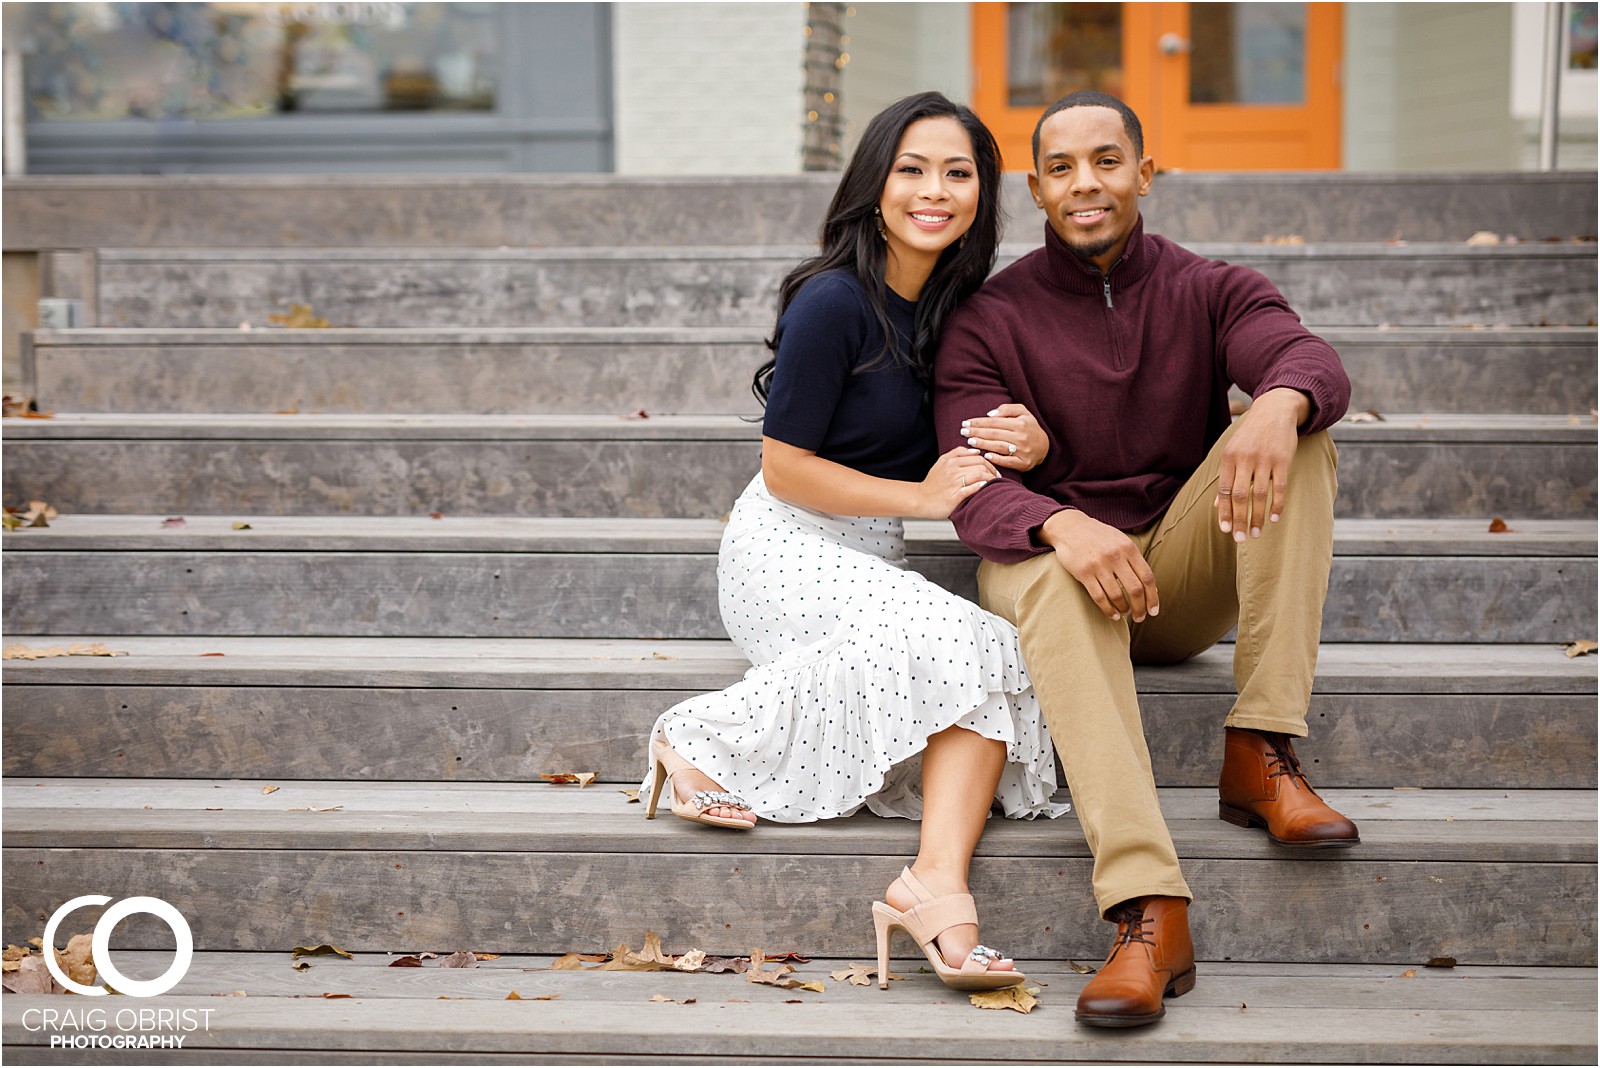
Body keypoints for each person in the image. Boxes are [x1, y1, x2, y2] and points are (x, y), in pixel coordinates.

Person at [932, 90, 1359, 1027]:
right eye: (1061, 168)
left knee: (1305, 432)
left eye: (1108, 160)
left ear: (1145, 173)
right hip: (1064, 580)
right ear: (1036, 191)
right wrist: (1061, 522)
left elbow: (1306, 357)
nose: (1087, 183)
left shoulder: (1212, 289)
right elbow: (971, 485)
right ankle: (1147, 910)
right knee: (1042, 565)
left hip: (1175, 575)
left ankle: (1261, 749)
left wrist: (1280, 407)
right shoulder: (987, 321)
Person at [640, 91, 1070, 990]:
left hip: (873, 556)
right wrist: (920, 496)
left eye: (958, 174)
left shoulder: (963, 311)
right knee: (985, 643)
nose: (934, 191)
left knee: (977, 661)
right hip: (785, 545)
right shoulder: (833, 302)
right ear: (874, 185)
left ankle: (931, 886)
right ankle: (696, 736)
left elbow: (992, 434)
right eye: (911, 169)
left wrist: (1035, 444)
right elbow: (788, 465)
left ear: (983, 196)